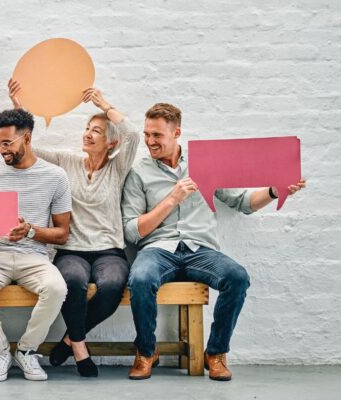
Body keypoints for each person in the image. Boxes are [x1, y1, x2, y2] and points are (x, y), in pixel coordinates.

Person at [122, 103, 306, 381]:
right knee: (140, 277)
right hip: (159, 249)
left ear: (176, 133)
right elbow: (133, 231)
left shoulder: (205, 163)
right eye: (147, 134)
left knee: (237, 277)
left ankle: (216, 353)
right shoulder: (139, 172)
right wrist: (172, 198)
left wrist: (274, 190)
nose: (149, 141)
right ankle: (147, 352)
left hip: (200, 250)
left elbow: (243, 203)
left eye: (157, 135)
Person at [7, 79, 140, 377]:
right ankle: (80, 347)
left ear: (111, 142)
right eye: (87, 129)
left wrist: (104, 105)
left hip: (109, 250)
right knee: (72, 283)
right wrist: (19, 110)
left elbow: (133, 134)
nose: (88, 135)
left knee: (111, 287)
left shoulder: (118, 167)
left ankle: (69, 338)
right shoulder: (68, 162)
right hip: (71, 250)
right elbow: (31, 150)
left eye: (97, 131)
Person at [0, 108, 72, 382]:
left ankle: (28, 351)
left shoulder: (55, 176)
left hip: (35, 257)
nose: (1, 150)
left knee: (56, 288)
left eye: (7, 143)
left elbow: (62, 233)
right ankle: (1, 352)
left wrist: (30, 231)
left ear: (27, 139)